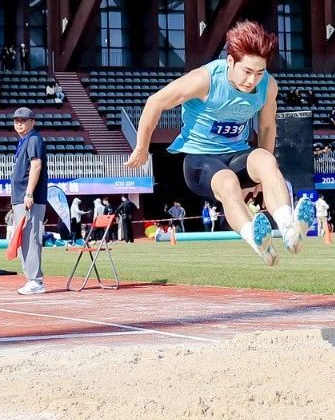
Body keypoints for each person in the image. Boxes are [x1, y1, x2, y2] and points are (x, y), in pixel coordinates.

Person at [126, 21, 313, 267]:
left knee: (267, 160)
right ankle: (255, 239)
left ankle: (289, 229)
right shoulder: (205, 80)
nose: (252, 80)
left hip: (237, 154)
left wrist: (262, 178)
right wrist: (142, 148)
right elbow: (155, 102)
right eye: (247, 71)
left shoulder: (268, 86)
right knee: (228, 181)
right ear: (230, 62)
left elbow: (267, 126)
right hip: (200, 161)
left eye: (259, 72)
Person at [9, 108, 49, 294]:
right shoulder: (24, 140)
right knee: (24, 238)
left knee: (30, 238)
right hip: (21, 197)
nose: (19, 123)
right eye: (16, 120)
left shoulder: (33, 139)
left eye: (23, 120)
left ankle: (36, 280)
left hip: (29, 198)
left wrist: (29, 193)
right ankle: (32, 279)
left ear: (32, 122)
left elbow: (36, 165)